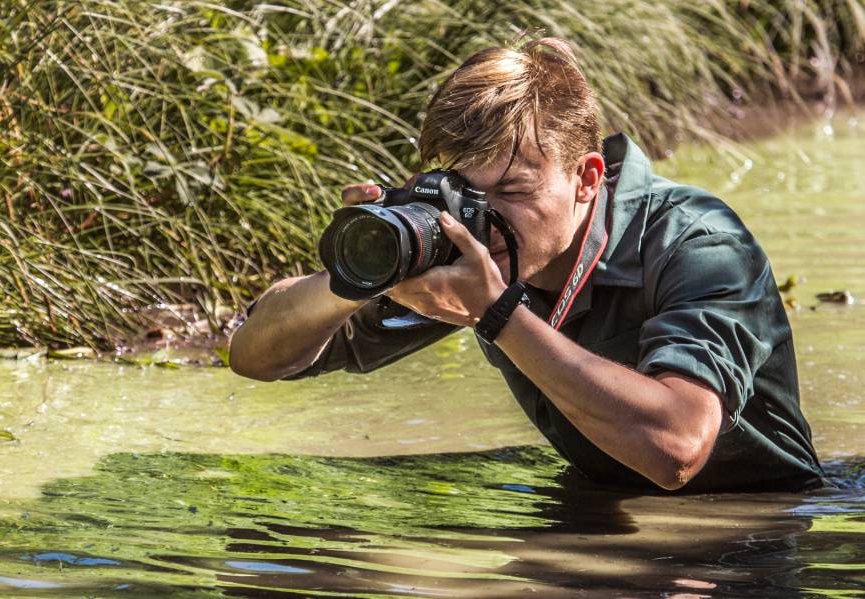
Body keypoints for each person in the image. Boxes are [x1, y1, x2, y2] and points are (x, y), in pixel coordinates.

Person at [228, 37, 825, 492]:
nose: (488, 217)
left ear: (588, 178)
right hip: (599, 503)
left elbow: (677, 448)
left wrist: (498, 315)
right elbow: (256, 357)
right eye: (468, 192)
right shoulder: (474, 249)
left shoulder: (698, 242)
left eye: (514, 190)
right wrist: (362, 271)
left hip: (756, 524)